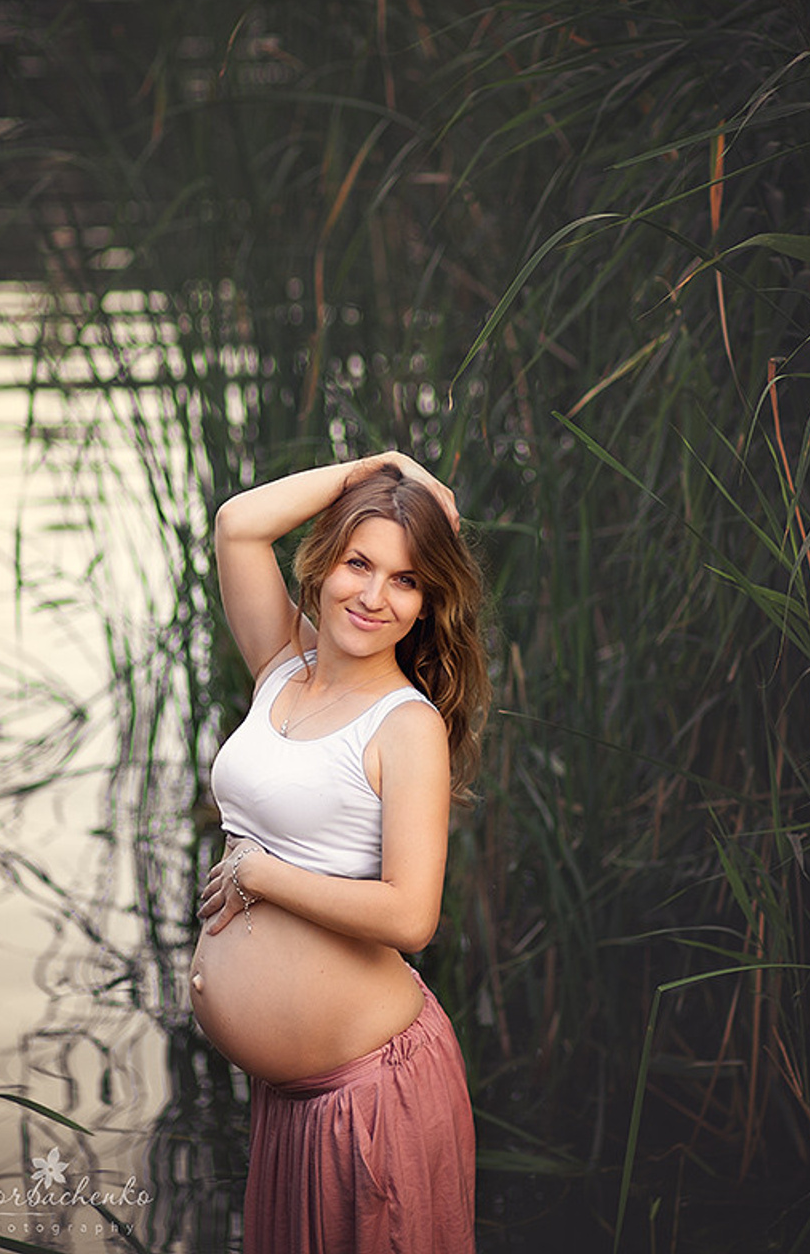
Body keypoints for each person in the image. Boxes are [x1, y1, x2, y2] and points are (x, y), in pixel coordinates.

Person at [190, 451, 489, 1254]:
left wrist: (261, 874)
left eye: (405, 579)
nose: (373, 595)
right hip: (292, 1100)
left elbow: (410, 915)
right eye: (359, 562)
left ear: (428, 603)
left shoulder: (407, 725)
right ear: (322, 565)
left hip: (371, 1094)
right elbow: (237, 525)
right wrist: (377, 466)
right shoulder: (283, 667)